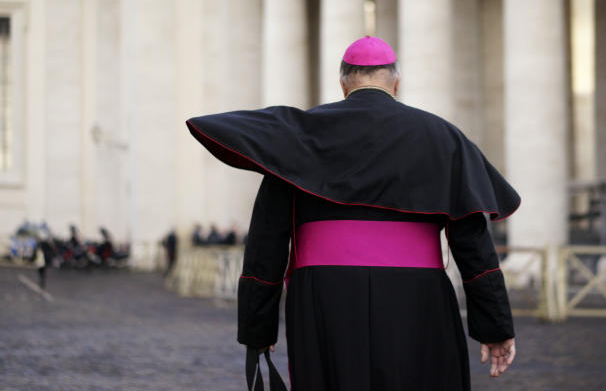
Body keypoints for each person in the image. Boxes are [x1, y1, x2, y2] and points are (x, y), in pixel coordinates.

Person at [187, 36, 520, 390]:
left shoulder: (298, 136)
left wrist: (258, 326)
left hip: (326, 295)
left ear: (343, 82)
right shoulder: (442, 136)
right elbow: (474, 247)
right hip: (417, 297)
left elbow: (267, 241)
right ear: (396, 81)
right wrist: (495, 327)